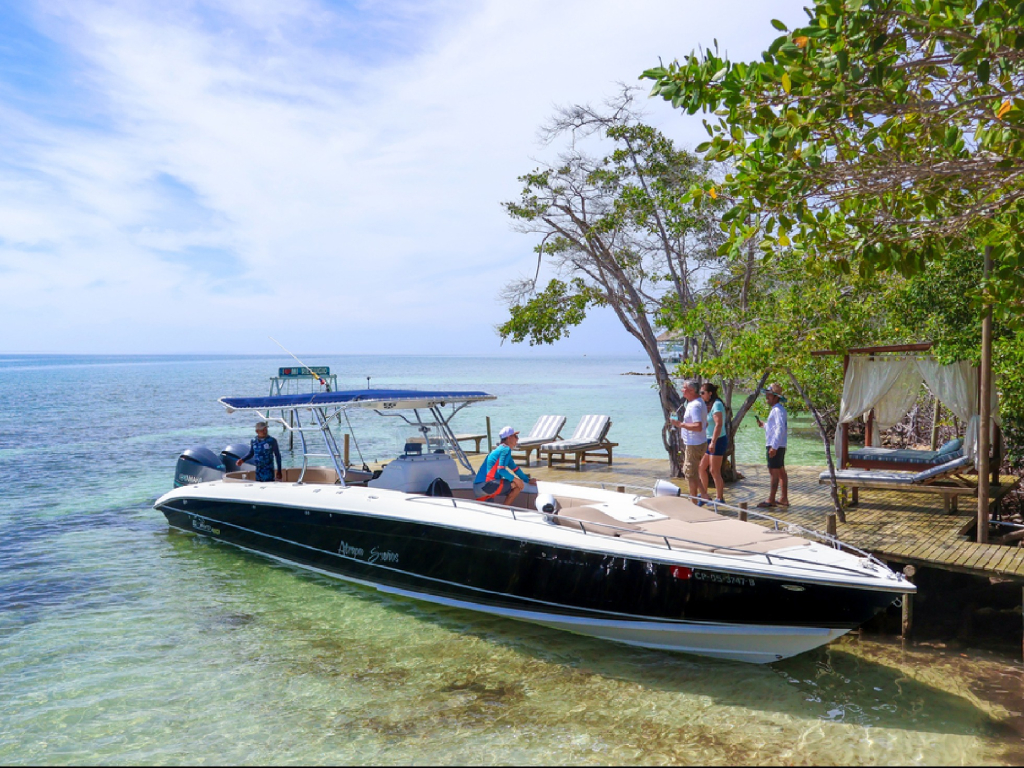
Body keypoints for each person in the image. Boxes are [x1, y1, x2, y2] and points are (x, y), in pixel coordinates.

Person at [670, 380, 708, 505]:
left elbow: (698, 426)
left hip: (694, 444)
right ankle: (704, 495)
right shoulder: (698, 402)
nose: (682, 390)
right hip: (698, 442)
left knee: (690, 474)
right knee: (693, 471)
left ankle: (693, 502)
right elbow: (705, 423)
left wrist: (680, 424)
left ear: (691, 391)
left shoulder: (695, 405)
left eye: (684, 388)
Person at [474, 426, 534, 505]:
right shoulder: (506, 449)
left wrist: (527, 480)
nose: (517, 439)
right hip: (487, 486)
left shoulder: (499, 450)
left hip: (478, 488)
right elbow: (501, 470)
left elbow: (515, 469)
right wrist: (516, 480)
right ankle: (504, 509)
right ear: (509, 438)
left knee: (489, 512)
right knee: (517, 485)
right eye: (515, 436)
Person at [755, 383, 789, 507]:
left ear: (776, 397)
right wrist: (764, 425)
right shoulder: (778, 410)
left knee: (773, 472)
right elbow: (774, 428)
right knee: (780, 471)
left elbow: (780, 429)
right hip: (779, 444)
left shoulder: (777, 410)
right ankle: (783, 498)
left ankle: (771, 499)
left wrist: (773, 447)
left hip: (775, 445)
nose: (767, 397)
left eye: (769, 395)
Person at [698, 382, 728, 504]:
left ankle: (720, 498)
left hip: (718, 440)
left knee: (714, 470)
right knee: (701, 467)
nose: (701, 395)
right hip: (709, 440)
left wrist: (713, 442)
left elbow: (719, 424)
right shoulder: (708, 405)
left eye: (702, 393)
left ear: (710, 393)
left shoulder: (717, 404)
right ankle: (705, 495)